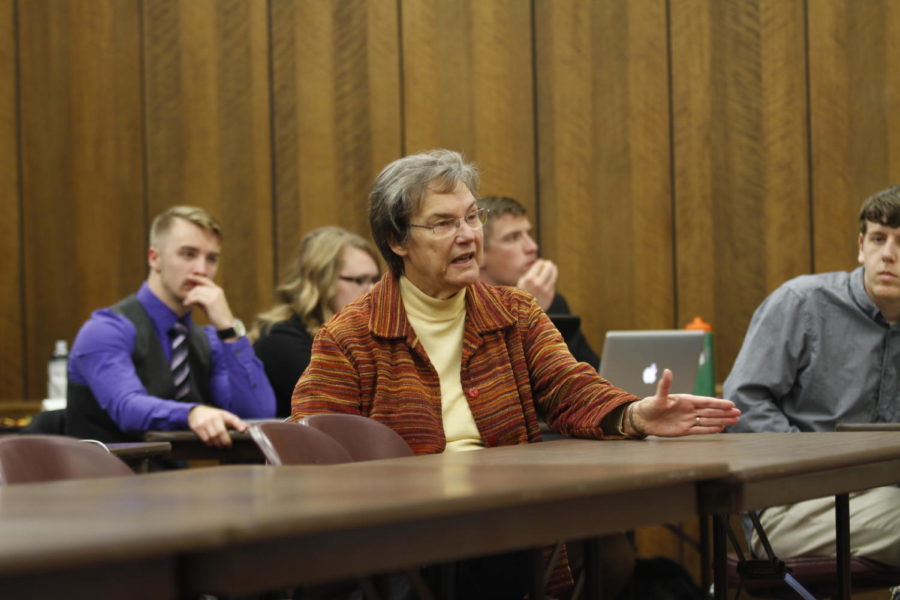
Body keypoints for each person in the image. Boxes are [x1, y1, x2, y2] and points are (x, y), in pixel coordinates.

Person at [291, 149, 741, 598]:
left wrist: (635, 413)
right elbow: (312, 451)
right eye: (444, 224)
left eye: (472, 217)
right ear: (397, 240)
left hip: (504, 528)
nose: (468, 236)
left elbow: (569, 386)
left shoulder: (515, 312)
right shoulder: (350, 335)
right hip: (402, 540)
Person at [725, 184, 900, 568]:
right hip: (792, 502)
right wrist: (823, 467)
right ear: (860, 245)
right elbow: (743, 405)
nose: (888, 254)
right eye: (878, 238)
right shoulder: (802, 303)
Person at [66, 205, 275, 448]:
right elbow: (127, 407)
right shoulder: (106, 329)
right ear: (154, 258)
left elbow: (257, 414)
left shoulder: (208, 340)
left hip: (181, 480)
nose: (201, 270)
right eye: (188, 254)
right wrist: (191, 414)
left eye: (212, 259)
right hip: (105, 479)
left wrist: (228, 329)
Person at [251, 226, 381, 417]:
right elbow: (346, 408)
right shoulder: (280, 341)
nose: (372, 291)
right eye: (360, 280)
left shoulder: (364, 334)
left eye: (375, 280)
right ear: (322, 281)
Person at [478, 195, 599, 368]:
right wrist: (524, 310)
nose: (532, 247)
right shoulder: (465, 311)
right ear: (478, 253)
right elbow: (497, 382)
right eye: (512, 238)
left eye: (529, 234)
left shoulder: (554, 303)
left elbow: (587, 373)